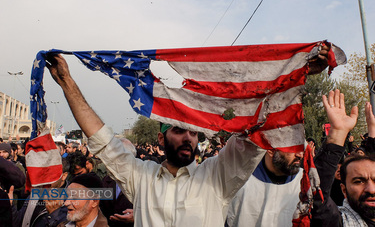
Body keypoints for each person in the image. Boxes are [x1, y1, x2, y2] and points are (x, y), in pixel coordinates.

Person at [46, 53, 267, 226]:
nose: (188, 137)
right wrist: (67, 82)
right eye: (179, 130)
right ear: (161, 138)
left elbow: (253, 141)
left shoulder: (216, 176)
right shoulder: (142, 178)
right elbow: (101, 139)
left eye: (193, 132)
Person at [310, 89, 375, 226]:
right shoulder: (339, 222)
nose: (371, 189)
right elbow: (316, 197)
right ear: (344, 190)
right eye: (359, 181)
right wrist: (338, 134)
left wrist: (373, 133)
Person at [226, 148, 303, 226]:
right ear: (271, 150)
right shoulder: (239, 178)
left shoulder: (304, 182)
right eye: (292, 147)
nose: (300, 154)